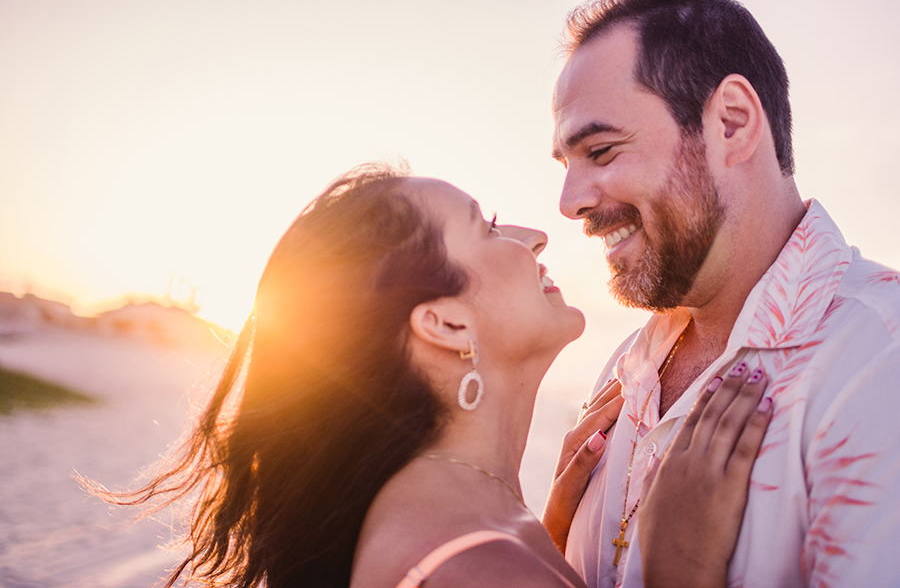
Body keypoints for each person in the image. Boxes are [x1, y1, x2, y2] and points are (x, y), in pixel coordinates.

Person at [97, 162, 771, 588]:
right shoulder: (474, 569)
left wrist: (554, 540)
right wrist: (679, 569)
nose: (535, 237)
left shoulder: (466, 531)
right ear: (444, 325)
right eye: (488, 227)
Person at [549, 0, 900, 587]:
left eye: (601, 151)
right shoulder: (625, 371)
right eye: (566, 164)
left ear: (732, 123)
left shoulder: (878, 362)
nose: (570, 202)